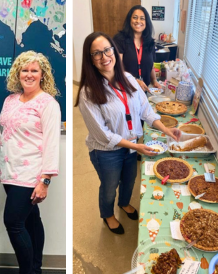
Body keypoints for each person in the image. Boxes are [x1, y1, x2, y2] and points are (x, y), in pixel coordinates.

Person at [76, 32, 181, 234]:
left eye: (107, 50)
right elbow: (103, 136)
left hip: (132, 146)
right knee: (109, 186)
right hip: (107, 152)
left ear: (114, 51)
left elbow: (146, 111)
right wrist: (136, 146)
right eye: (97, 53)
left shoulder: (130, 80)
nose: (105, 57)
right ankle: (108, 215)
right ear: (90, 59)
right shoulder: (88, 92)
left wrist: (167, 130)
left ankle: (124, 203)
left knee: (130, 178)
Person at [0, 51, 60, 274]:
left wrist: (44, 181)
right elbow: (3, 135)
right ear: (17, 73)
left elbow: (52, 144)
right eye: (25, 70)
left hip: (30, 174)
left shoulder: (48, 104)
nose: (29, 74)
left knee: (13, 222)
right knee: (31, 220)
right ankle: (37, 270)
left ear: (43, 75)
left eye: (34, 70)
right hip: (9, 172)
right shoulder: (10, 100)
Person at [113, 5, 162, 92]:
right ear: (129, 20)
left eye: (142, 18)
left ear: (146, 22)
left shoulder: (150, 42)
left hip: (144, 89)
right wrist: (134, 81)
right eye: (135, 17)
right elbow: (118, 68)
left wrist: (154, 81)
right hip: (126, 88)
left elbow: (151, 67)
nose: (138, 21)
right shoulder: (120, 40)